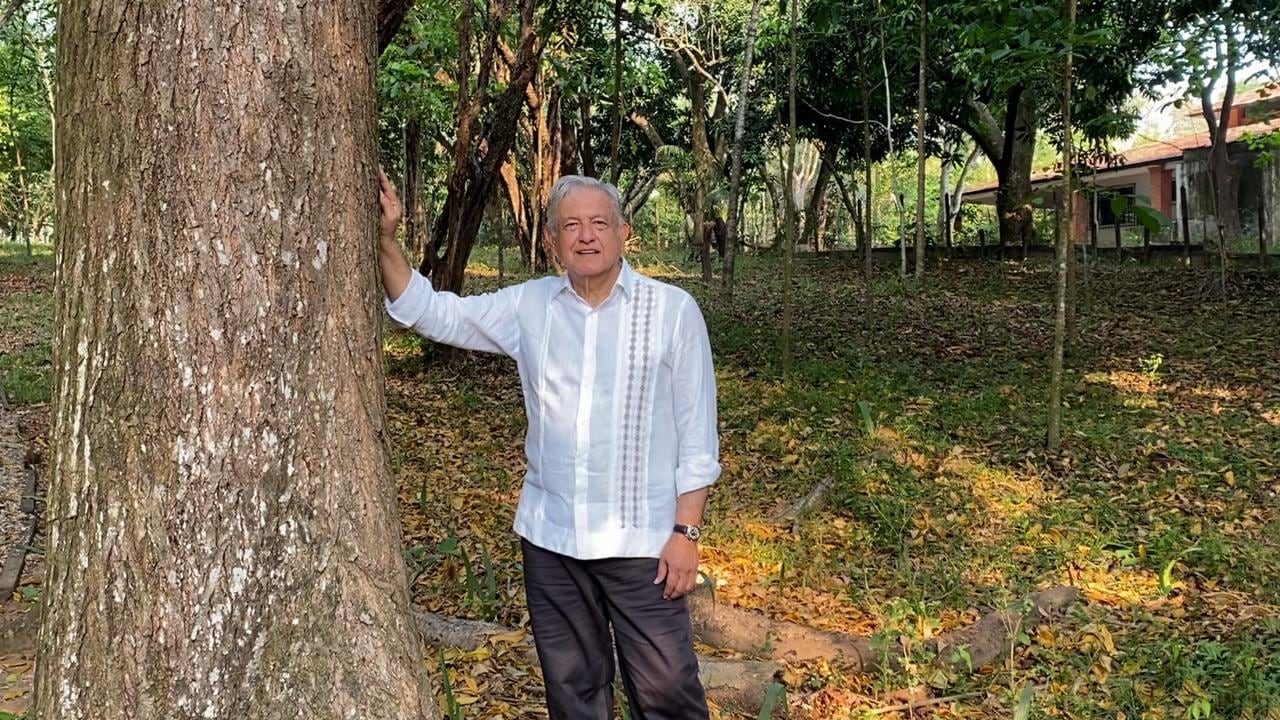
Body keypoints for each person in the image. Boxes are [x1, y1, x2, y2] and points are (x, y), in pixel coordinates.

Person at [376, 170, 720, 720]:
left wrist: (686, 532)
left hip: (644, 547)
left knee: (669, 695)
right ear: (552, 240)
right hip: (552, 539)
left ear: (624, 233)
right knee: (573, 695)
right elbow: (435, 313)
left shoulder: (672, 311)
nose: (586, 236)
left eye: (599, 224)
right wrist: (387, 242)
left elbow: (699, 438)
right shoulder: (529, 306)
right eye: (572, 226)